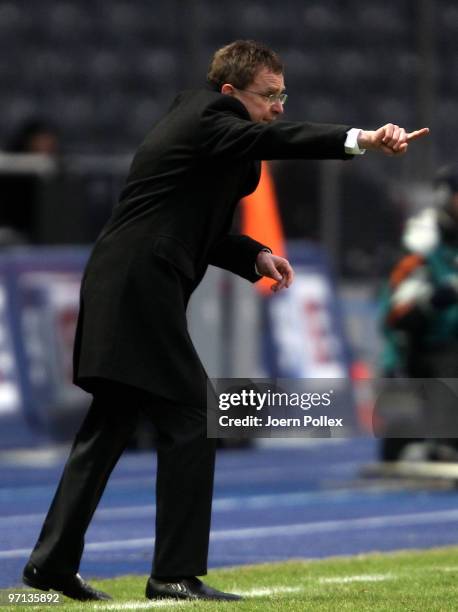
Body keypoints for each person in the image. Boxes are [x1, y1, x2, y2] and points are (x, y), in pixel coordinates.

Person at [22, 40, 429, 602]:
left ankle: (50, 565)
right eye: (270, 95)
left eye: (284, 94)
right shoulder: (208, 115)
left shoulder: (208, 131)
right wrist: (359, 138)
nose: (280, 106)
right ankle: (172, 575)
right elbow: (270, 138)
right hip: (140, 285)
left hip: (129, 281)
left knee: (111, 426)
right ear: (231, 92)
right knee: (192, 416)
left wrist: (253, 253)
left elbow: (195, 221)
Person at [379, 165, 458, 461]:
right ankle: (445, 441)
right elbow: (400, 313)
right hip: (428, 346)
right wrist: (437, 298)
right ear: (446, 198)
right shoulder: (422, 242)